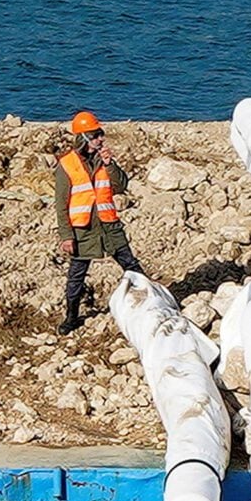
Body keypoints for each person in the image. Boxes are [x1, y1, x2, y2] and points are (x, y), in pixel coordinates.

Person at [57, 110, 144, 334]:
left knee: (131, 266)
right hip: (83, 230)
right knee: (76, 275)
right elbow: (61, 203)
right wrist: (66, 236)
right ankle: (71, 318)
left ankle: (150, 303)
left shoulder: (105, 161)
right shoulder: (67, 165)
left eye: (100, 134)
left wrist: (109, 164)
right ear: (84, 138)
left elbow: (121, 185)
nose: (100, 139)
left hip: (108, 226)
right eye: (96, 135)